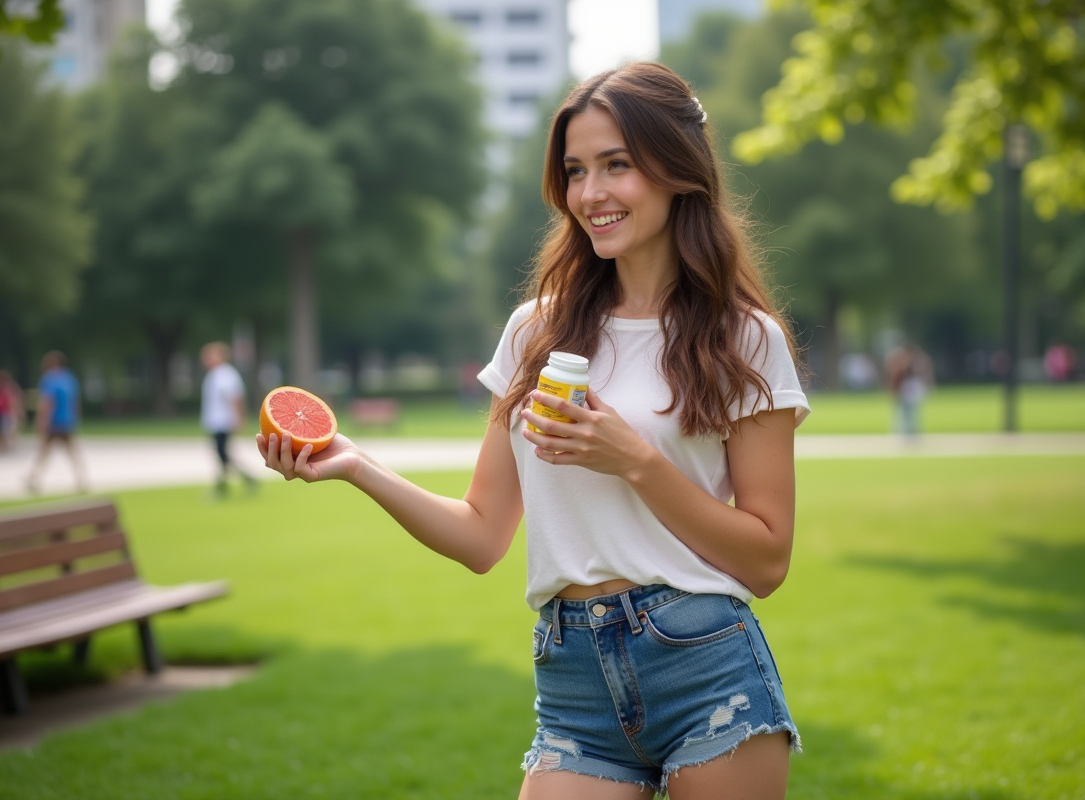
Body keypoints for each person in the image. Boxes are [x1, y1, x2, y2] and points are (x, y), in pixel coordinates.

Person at [258, 62, 809, 799]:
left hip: (703, 659)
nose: (591, 193)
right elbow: (483, 535)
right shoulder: (536, 332)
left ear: (679, 170)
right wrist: (359, 466)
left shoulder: (744, 338)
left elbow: (767, 559)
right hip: (572, 672)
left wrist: (637, 462)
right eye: (576, 171)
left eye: (618, 165)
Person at [200, 341, 257, 497]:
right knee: (221, 454)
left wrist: (239, 418)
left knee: (222, 453)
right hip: (215, 422)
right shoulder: (213, 375)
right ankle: (241, 480)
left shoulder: (225, 374)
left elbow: (235, 398)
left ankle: (227, 485)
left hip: (224, 421)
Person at [26, 351, 88, 494]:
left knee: (43, 451)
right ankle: (81, 478)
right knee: (71, 451)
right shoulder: (70, 378)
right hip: (67, 421)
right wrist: (75, 419)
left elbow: (48, 402)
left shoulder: (49, 379)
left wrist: (41, 421)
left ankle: (34, 478)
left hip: (53, 422)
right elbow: (75, 402)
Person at [886, 343, 933, 437]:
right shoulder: (907, 362)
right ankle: (907, 431)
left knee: (910, 411)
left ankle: (910, 431)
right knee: (907, 411)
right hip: (907, 387)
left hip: (909, 387)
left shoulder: (911, 362)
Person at [0, 369, 25, 453]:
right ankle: (1, 445)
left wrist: (18, 412)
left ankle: (6, 444)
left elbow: (16, 401)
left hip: (7, 413)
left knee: (7, 429)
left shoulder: (11, 388)